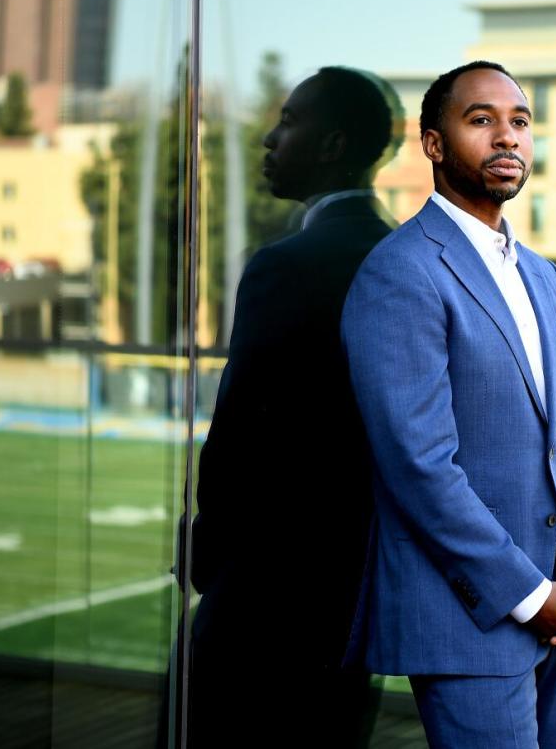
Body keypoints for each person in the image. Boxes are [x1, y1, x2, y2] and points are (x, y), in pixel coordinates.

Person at [341, 61, 556, 748]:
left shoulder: (542, 275)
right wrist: (529, 596)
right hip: (471, 617)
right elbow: (419, 468)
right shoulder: (401, 271)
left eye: (520, 122)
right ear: (433, 145)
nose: (508, 137)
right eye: (482, 120)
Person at [184, 66, 401, 746]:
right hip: (360, 582)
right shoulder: (413, 257)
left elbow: (240, 425)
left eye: (289, 121)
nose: (269, 139)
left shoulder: (289, 263)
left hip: (266, 582)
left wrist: (209, 545)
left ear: (333, 144)